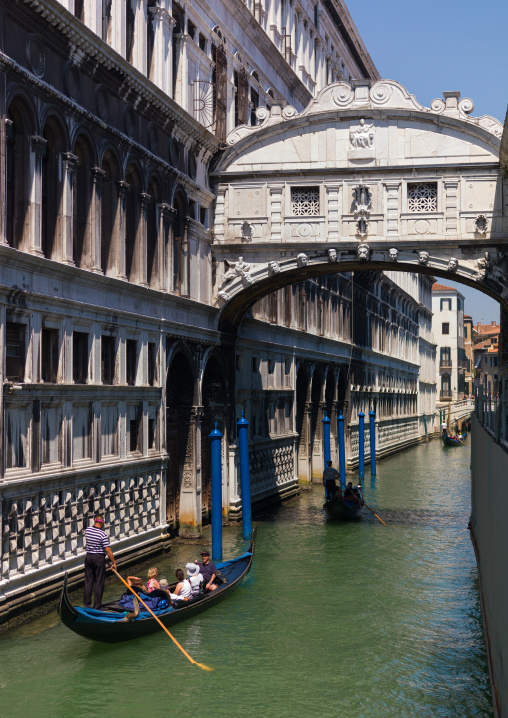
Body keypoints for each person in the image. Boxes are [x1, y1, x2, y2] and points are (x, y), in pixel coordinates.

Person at [83, 514, 116, 609]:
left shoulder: (88, 530)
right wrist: (113, 562)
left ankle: (86, 605)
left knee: (88, 581)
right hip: (98, 559)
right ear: (102, 522)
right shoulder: (102, 534)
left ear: (94, 521)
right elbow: (108, 550)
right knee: (99, 582)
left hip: (88, 557)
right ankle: (97, 605)